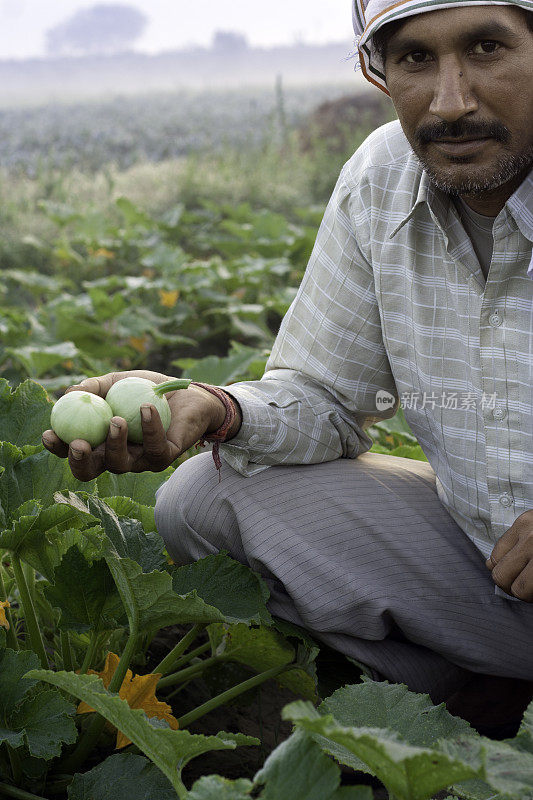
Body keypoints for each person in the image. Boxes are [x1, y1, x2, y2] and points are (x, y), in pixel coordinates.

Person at [43, 0, 533, 732]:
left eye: (487, 48)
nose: (449, 101)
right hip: (483, 567)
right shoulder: (381, 178)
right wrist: (218, 408)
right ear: (380, 72)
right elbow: (325, 396)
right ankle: (458, 699)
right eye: (414, 59)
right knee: (203, 504)